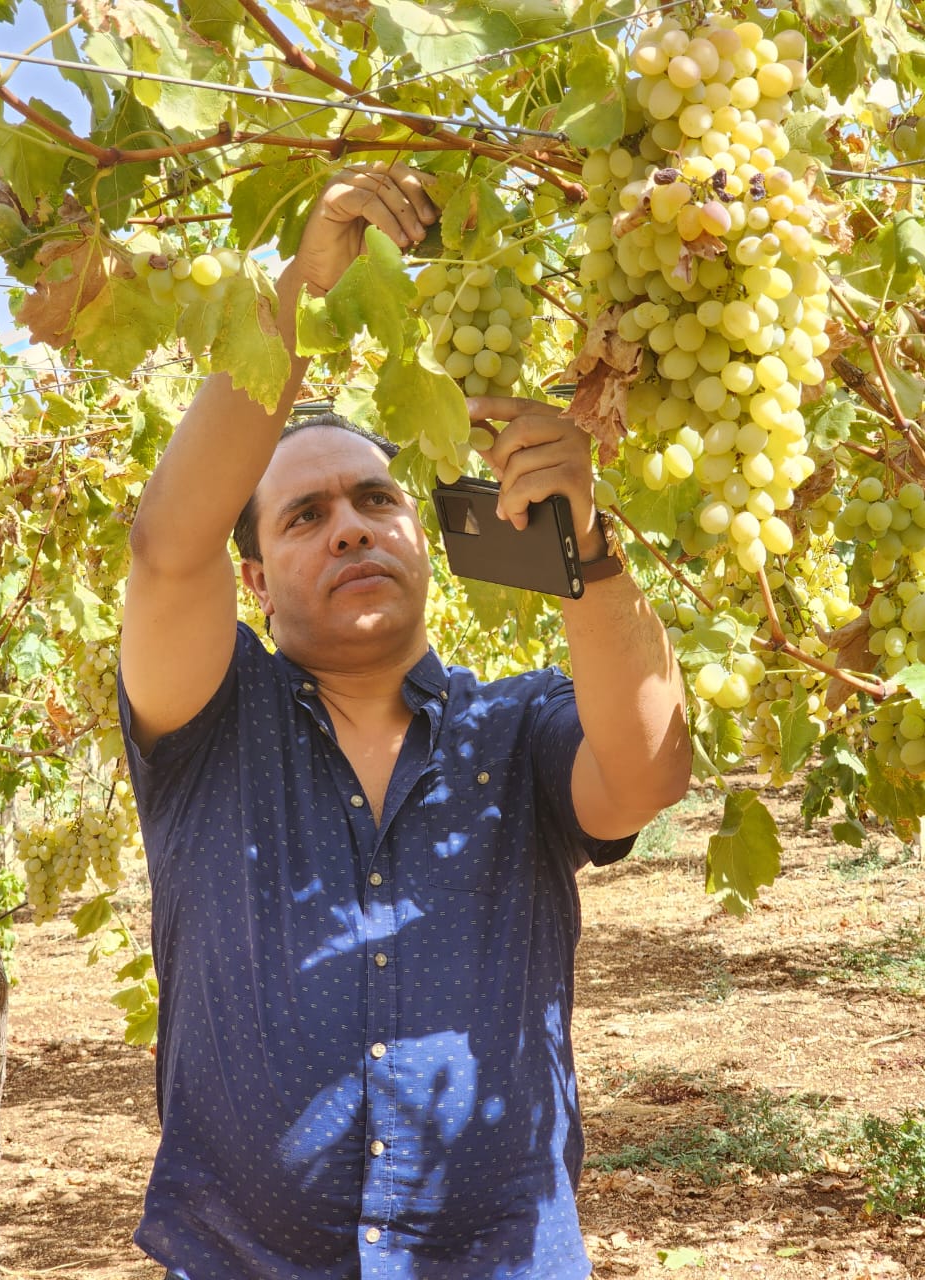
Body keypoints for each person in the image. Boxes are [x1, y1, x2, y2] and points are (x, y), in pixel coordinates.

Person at [119, 162, 692, 1280]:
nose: (350, 528)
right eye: (305, 514)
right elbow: (161, 548)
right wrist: (296, 294)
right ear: (254, 577)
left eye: (377, 498)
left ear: (423, 534)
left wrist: (592, 552)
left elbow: (648, 773)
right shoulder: (203, 722)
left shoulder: (516, 723)